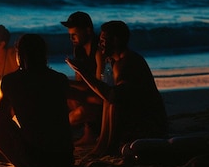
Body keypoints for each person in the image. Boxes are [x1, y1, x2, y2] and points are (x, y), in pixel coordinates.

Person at [66, 20, 168, 156]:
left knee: (113, 100)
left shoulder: (128, 62)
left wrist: (83, 72)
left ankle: (107, 147)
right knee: (110, 99)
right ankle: (102, 145)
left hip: (149, 126)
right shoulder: (113, 61)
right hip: (134, 118)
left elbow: (113, 95)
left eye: (103, 40)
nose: (99, 44)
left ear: (115, 41)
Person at [0, 34, 74, 167]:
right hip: (65, 158)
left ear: (20, 55)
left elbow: (1, 117)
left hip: (37, 159)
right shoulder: (60, 79)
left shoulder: (10, 81)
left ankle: (21, 165)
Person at [61, 11, 103, 145]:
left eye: (74, 35)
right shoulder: (78, 50)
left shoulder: (99, 50)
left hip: (101, 97)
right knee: (63, 95)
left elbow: (101, 87)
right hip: (88, 94)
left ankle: (88, 132)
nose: (71, 39)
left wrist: (66, 82)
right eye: (70, 35)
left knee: (77, 112)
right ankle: (86, 130)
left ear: (88, 31)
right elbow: (80, 83)